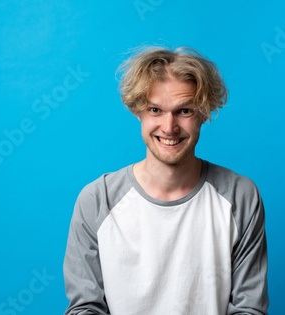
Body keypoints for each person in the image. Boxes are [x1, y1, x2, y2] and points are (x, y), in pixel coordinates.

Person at [63, 46, 269, 315]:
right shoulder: (97, 200)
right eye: (155, 110)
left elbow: (249, 309)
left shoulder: (240, 197)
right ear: (138, 112)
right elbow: (85, 308)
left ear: (204, 114)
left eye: (184, 111)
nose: (169, 127)